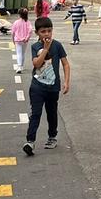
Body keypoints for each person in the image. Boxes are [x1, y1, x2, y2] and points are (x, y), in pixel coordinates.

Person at [23, 16, 70, 156]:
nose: (47, 34)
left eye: (49, 31)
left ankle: (52, 136)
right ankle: (30, 141)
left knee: (51, 112)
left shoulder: (58, 45)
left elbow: (65, 64)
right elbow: (36, 64)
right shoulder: (35, 47)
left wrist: (67, 81)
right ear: (37, 33)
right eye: (43, 31)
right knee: (36, 113)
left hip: (53, 87)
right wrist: (45, 49)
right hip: (37, 86)